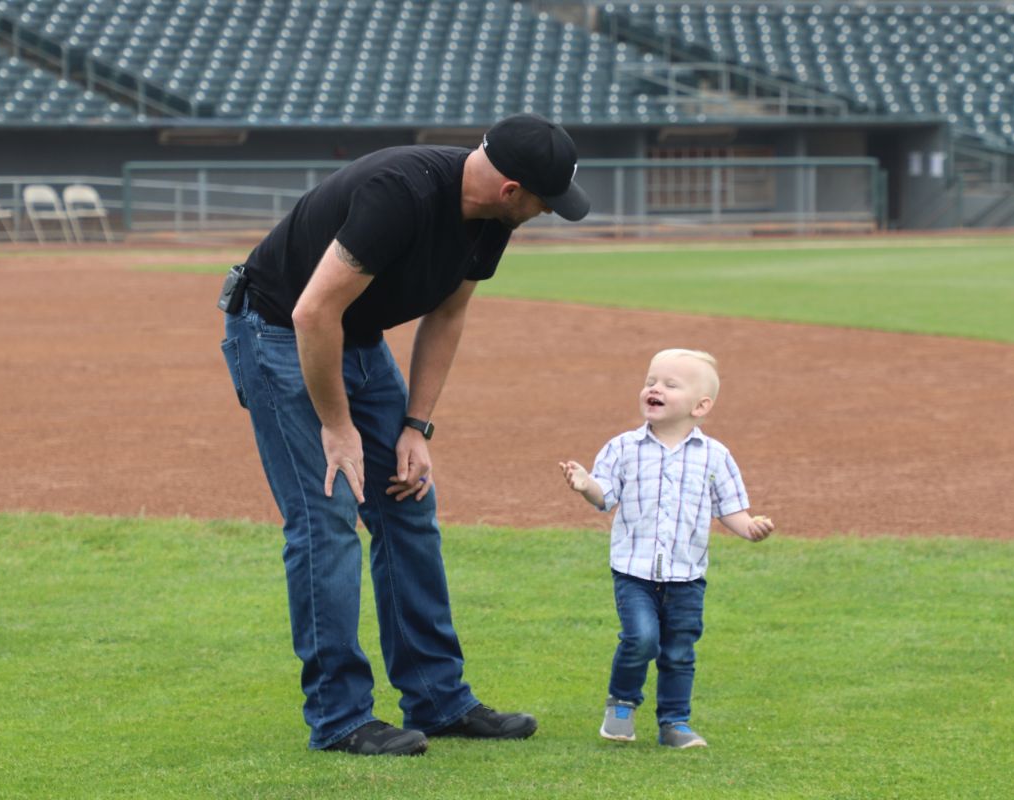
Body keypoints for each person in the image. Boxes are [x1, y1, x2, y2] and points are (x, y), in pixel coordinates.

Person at [219, 113, 591, 756]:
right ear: (511, 191)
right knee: (326, 517)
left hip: (356, 341)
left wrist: (416, 426)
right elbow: (313, 311)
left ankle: (439, 700)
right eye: (544, 203)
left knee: (408, 502)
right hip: (282, 334)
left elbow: (448, 314)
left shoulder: (490, 224)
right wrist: (338, 429)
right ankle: (340, 718)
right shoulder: (400, 191)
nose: (546, 213)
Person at [558, 348, 774, 749]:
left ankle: (674, 723)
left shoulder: (715, 456)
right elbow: (604, 497)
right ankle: (622, 703)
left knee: (678, 651)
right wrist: (586, 483)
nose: (654, 389)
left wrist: (751, 528)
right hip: (634, 571)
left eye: (669, 385)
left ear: (700, 405)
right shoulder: (623, 447)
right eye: (651, 381)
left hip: (687, 576)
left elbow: (732, 510)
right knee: (641, 638)